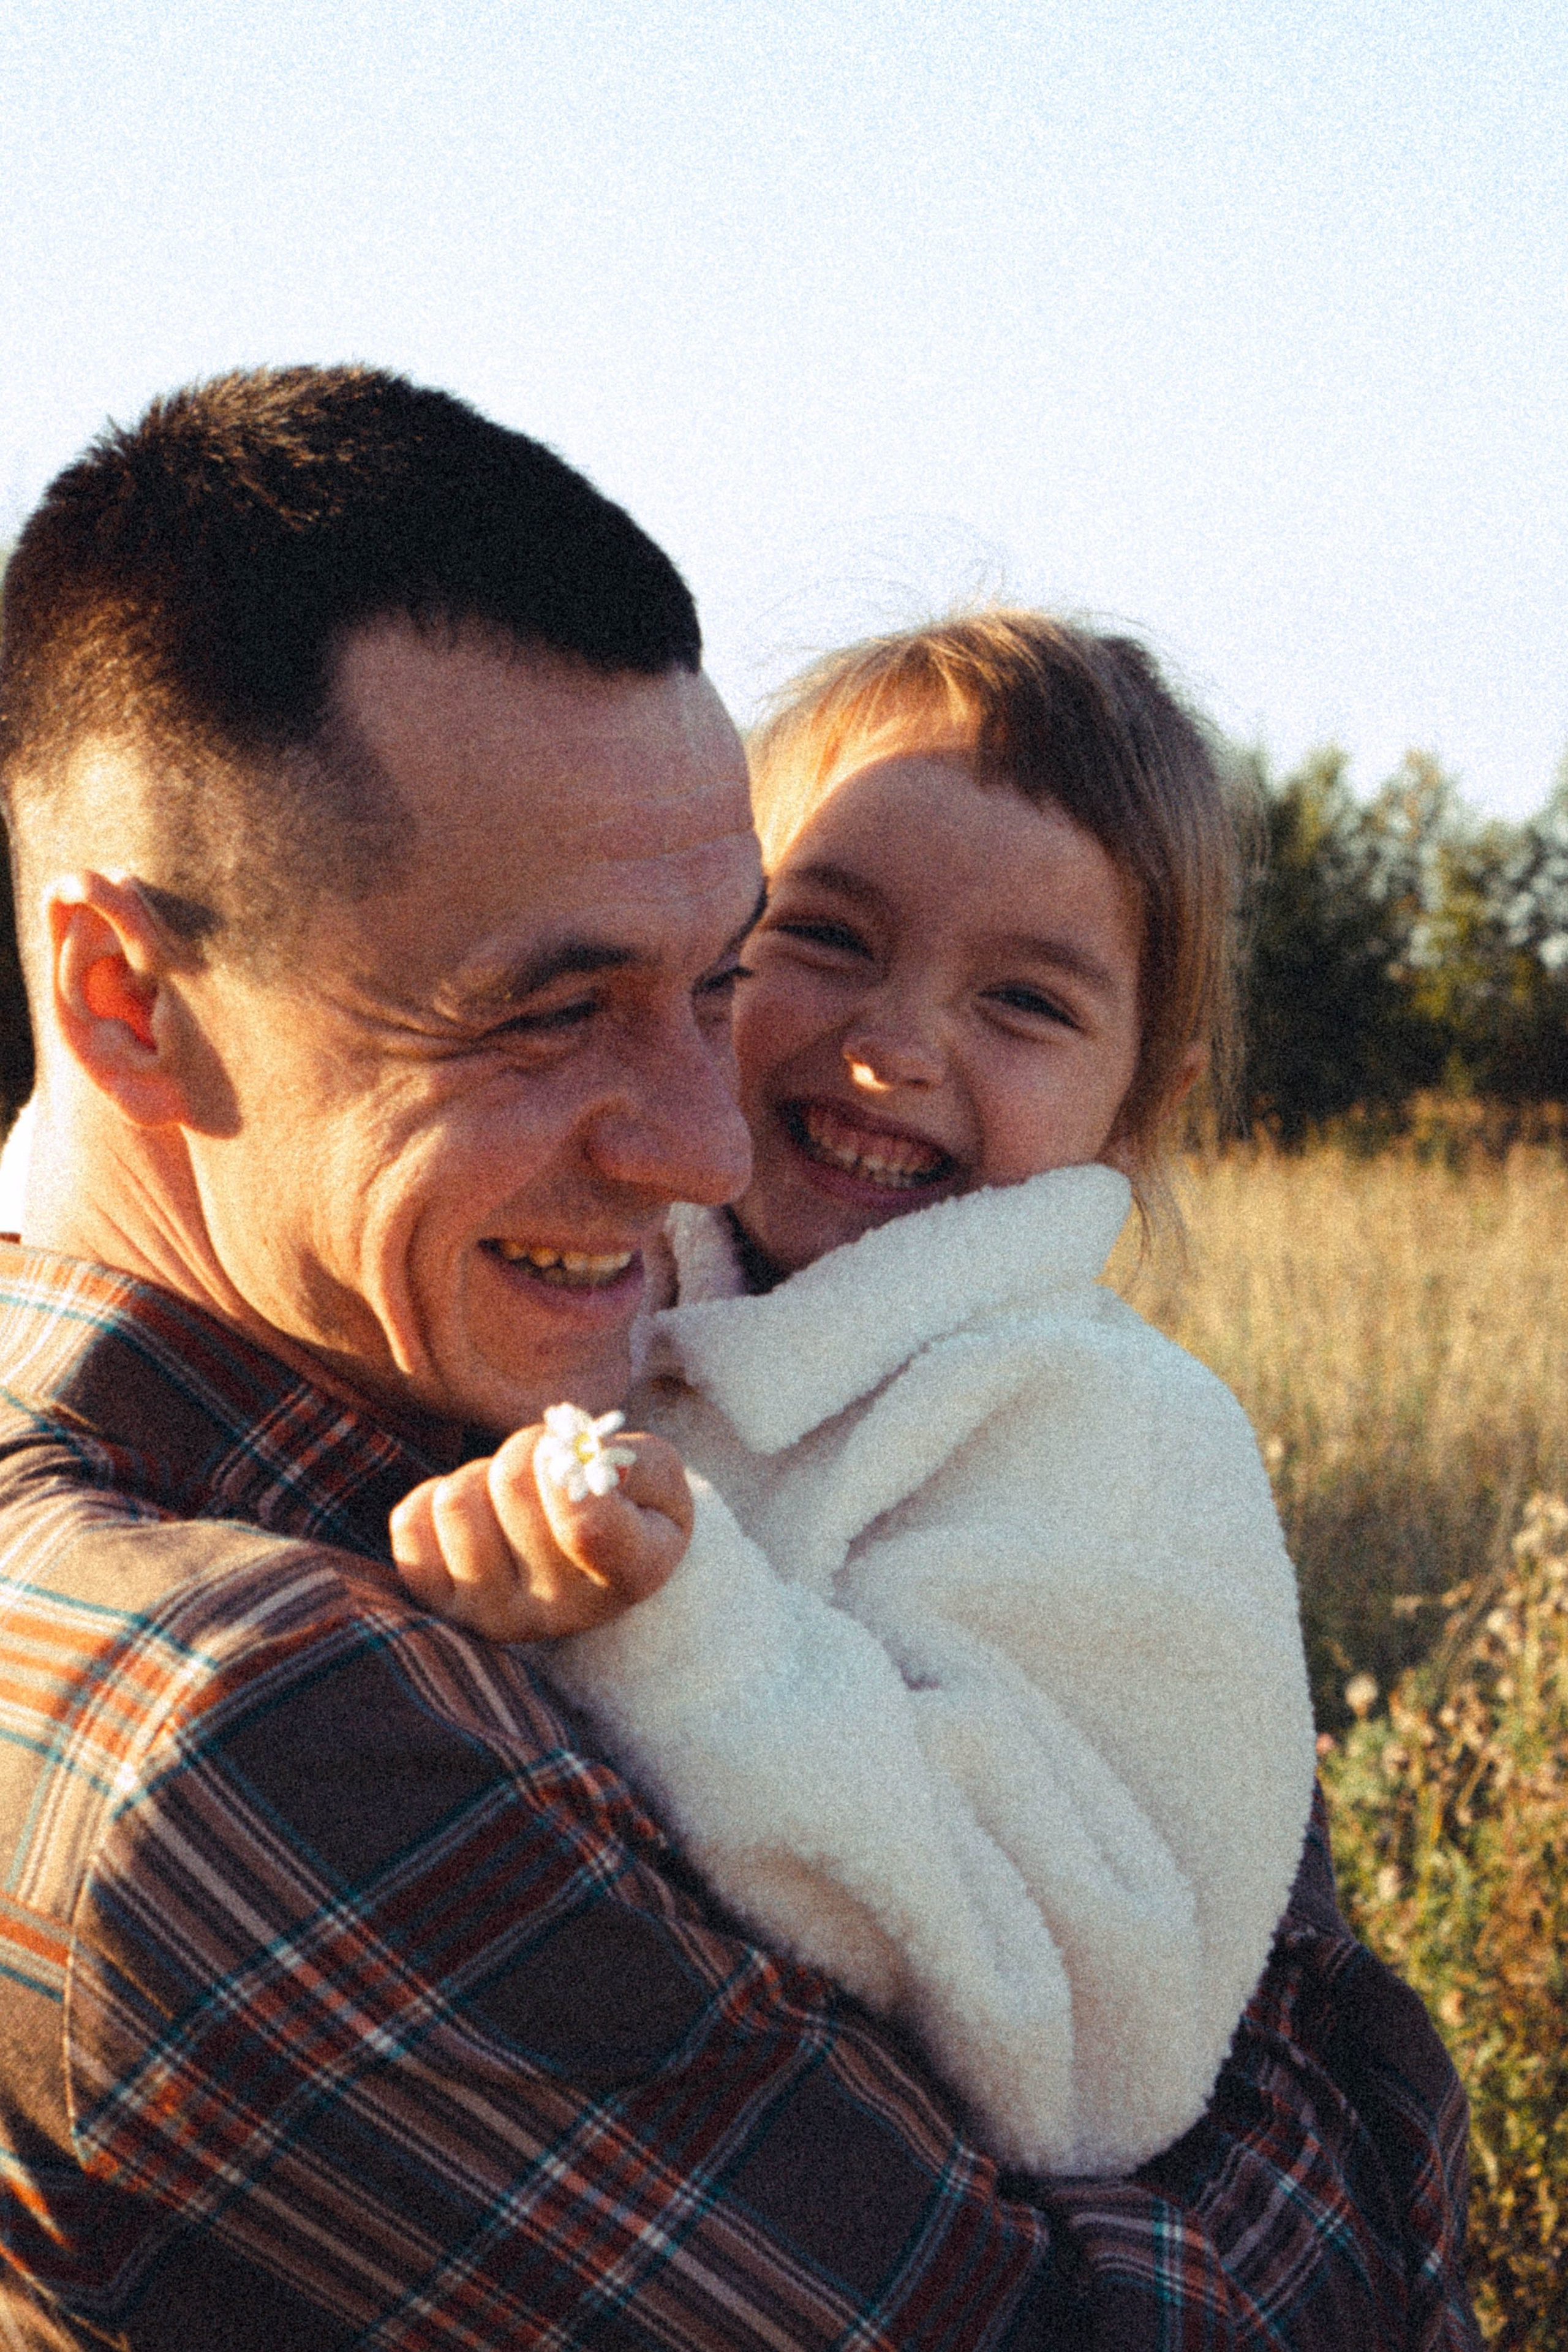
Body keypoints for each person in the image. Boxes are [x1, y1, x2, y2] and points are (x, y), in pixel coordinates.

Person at [0, 366, 1477, 2349]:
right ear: (121, 1000)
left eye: (713, 979)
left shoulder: (367, 1385)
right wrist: (1342, 2053)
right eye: (548, 1011)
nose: (710, 1136)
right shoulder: (269, 1732)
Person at [388, 612, 1319, 2182]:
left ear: (1140, 1093)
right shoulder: (605, 1282)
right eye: (823, 936)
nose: (890, 1046)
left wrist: (671, 1623)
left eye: (1022, 1002)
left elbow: (1100, 2034)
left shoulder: (1105, 1433)